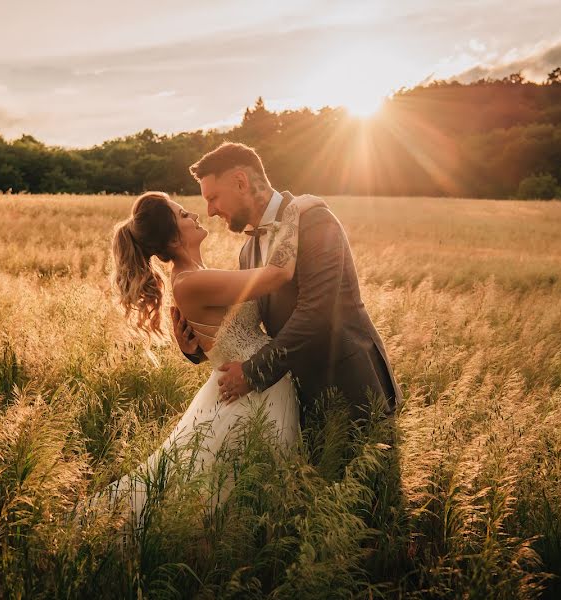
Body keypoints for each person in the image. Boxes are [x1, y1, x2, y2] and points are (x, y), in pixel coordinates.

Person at [88, 190, 325, 521]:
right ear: (171, 239)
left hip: (260, 382)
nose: (196, 215)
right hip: (251, 392)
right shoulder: (190, 281)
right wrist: (295, 212)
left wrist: (195, 350)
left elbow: (220, 333)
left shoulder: (199, 272)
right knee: (235, 494)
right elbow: (277, 275)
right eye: (184, 215)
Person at [175, 142, 402, 431]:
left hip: (352, 389)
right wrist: (195, 346)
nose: (210, 211)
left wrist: (252, 373)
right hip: (299, 403)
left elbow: (317, 312)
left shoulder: (314, 220)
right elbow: (243, 327)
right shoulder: (248, 249)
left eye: (214, 198)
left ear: (241, 182)